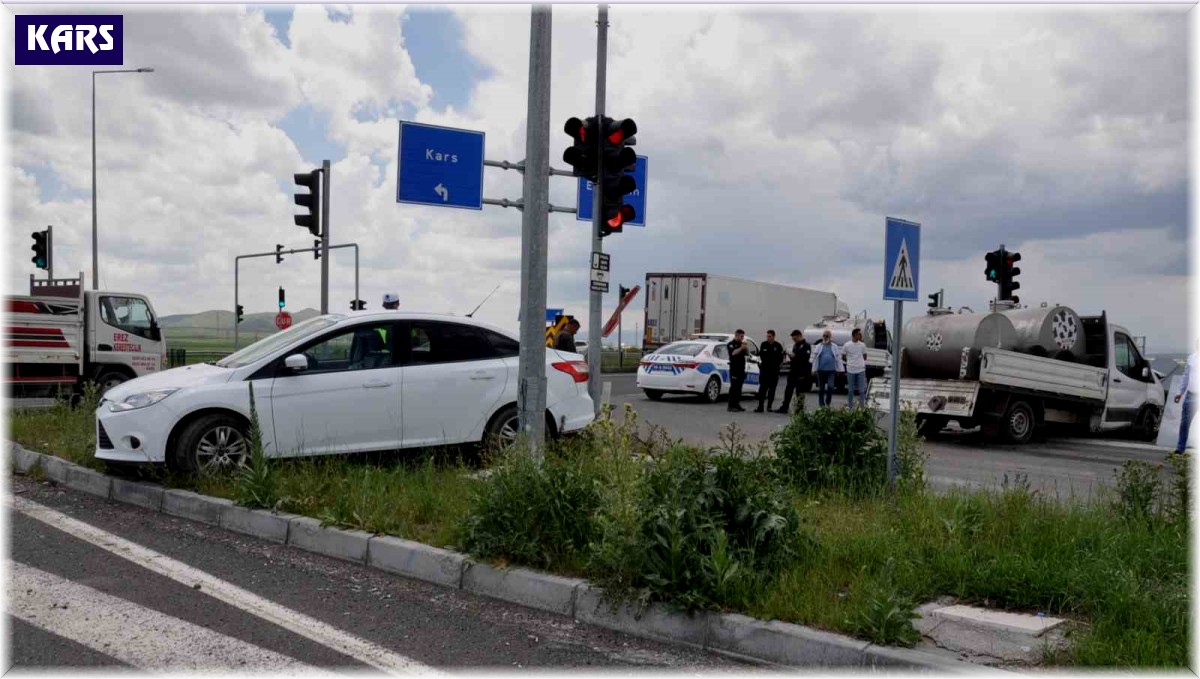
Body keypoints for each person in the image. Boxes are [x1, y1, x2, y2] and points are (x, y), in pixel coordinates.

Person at [777, 330, 811, 414]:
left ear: (799, 336)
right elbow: (794, 358)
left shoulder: (806, 346)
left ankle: (799, 409)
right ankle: (784, 407)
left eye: (795, 338)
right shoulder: (795, 345)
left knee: (800, 392)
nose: (794, 340)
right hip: (793, 371)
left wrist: (795, 356)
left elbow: (805, 359)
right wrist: (790, 356)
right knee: (788, 390)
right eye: (793, 339)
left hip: (801, 372)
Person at [1174, 344, 1199, 454]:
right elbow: (1186, 376)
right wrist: (1180, 393)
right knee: (1184, 423)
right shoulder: (1191, 358)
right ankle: (1180, 448)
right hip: (1191, 395)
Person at [810, 330, 844, 408]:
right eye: (824, 336)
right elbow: (815, 358)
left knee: (830, 386)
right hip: (820, 370)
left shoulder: (834, 346)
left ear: (830, 337)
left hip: (831, 371)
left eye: (827, 336)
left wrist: (840, 369)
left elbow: (838, 358)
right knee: (821, 388)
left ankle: (828, 401)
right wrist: (813, 369)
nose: (825, 337)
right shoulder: (819, 346)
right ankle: (821, 404)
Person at [754, 330, 785, 413]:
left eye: (769, 336)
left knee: (772, 390)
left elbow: (781, 359)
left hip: (774, 372)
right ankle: (760, 406)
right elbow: (760, 357)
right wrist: (759, 365)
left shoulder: (778, 346)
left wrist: (779, 367)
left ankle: (769, 407)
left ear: (774, 336)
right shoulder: (763, 344)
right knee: (762, 390)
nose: (768, 338)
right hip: (764, 371)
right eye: (767, 336)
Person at [842, 328, 868, 409]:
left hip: (861, 369)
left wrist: (859, 362)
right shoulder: (847, 345)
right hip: (851, 370)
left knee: (861, 390)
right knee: (850, 390)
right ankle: (850, 407)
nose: (861, 336)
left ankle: (862, 407)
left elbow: (865, 356)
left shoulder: (862, 345)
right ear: (854, 335)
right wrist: (850, 362)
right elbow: (843, 356)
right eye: (859, 334)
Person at [726, 329, 750, 412]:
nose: (742, 338)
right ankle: (731, 405)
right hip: (734, 369)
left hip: (741, 369)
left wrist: (746, 348)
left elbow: (747, 354)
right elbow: (733, 353)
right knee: (734, 387)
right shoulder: (731, 344)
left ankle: (737, 404)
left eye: (743, 336)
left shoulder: (741, 344)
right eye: (741, 336)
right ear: (736, 335)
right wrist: (741, 348)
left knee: (739, 388)